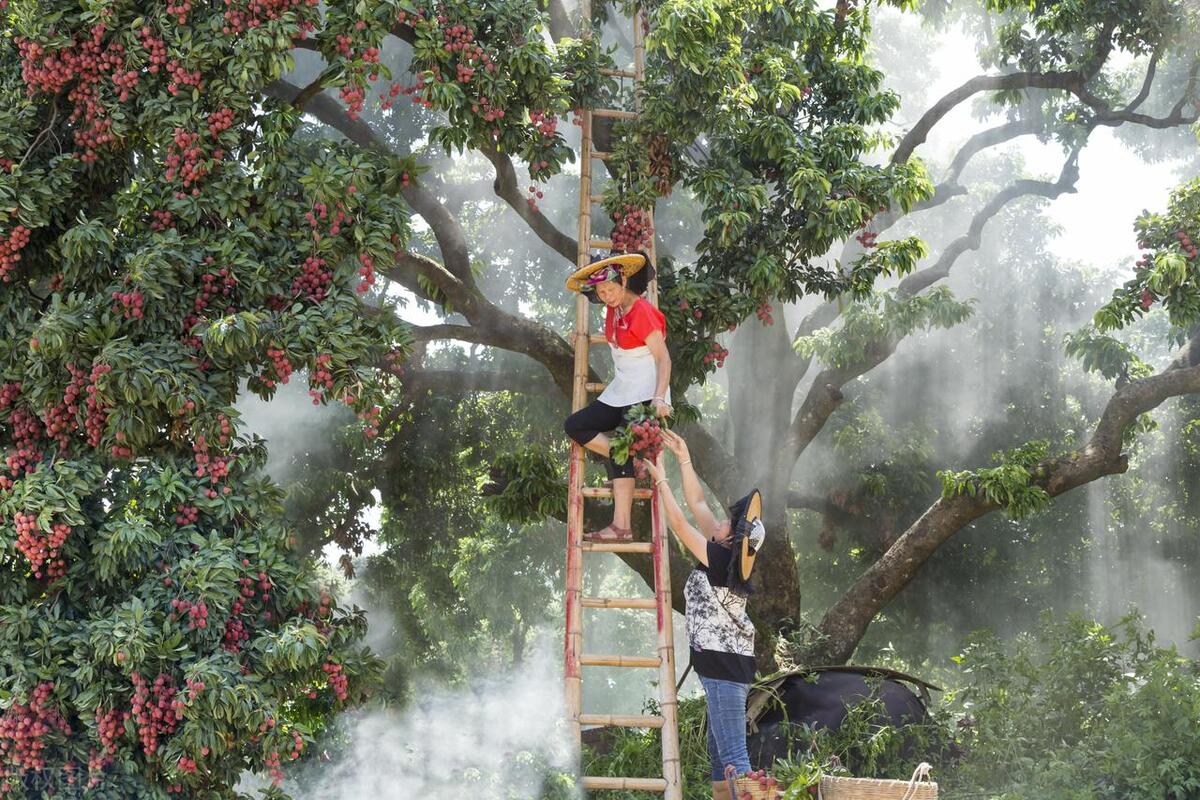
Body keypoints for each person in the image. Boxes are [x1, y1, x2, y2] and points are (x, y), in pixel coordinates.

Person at [644, 430, 767, 800]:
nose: (720, 521)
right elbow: (696, 502)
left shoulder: (719, 559)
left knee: (734, 760)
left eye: (729, 522)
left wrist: (660, 478)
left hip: (724, 670)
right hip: (726, 668)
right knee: (720, 762)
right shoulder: (724, 555)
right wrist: (683, 457)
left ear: (733, 539)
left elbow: (681, 523)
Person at [563, 252, 672, 541]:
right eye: (601, 292)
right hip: (623, 386)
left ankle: (621, 526)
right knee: (576, 425)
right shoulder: (613, 310)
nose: (607, 295)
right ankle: (623, 451)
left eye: (611, 289)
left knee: (623, 446)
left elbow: (664, 359)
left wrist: (659, 398)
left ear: (623, 281)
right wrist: (578, 336)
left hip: (647, 388)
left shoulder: (642, 311)